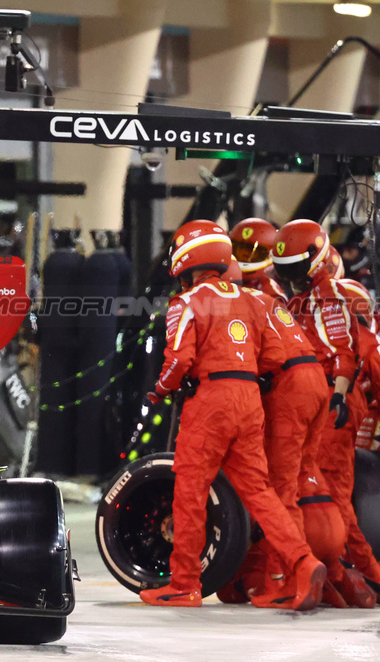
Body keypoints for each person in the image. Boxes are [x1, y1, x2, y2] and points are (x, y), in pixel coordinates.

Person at [139, 220, 324, 610]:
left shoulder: (186, 303)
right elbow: (274, 355)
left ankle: (184, 583)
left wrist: (160, 390)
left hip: (210, 402)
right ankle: (302, 561)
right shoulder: (253, 300)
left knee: (189, 491)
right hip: (250, 400)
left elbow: (178, 360)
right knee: (261, 493)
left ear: (186, 257)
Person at [272, 219, 380, 607]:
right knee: (316, 493)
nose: (289, 277)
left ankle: (367, 576)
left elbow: (344, 353)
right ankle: (339, 577)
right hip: (316, 400)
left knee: (332, 496)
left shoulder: (333, 294)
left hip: (331, 401)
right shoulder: (299, 300)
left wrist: (338, 397)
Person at [228, 259, 331, 604]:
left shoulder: (234, 303)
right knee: (299, 481)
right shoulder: (272, 298)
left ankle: (286, 579)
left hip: (289, 386)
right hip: (316, 379)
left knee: (278, 489)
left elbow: (267, 357)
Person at [229, 218, 288, 301]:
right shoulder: (213, 270)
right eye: (240, 248)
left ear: (269, 256)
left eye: (252, 252)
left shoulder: (272, 296)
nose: (244, 253)